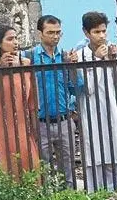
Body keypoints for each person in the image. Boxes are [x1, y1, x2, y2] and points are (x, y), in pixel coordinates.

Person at [0, 25, 39, 175]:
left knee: (28, 167)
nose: (15, 42)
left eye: (16, 38)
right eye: (10, 39)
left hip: (21, 124)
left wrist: (35, 126)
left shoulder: (25, 63)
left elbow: (32, 100)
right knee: (2, 168)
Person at [73, 12, 117, 191]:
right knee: (94, 153)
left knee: (114, 150)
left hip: (111, 108)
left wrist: (112, 59)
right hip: (91, 111)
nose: (102, 36)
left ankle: (114, 190)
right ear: (86, 33)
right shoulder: (80, 55)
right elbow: (87, 88)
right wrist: (96, 59)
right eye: (96, 32)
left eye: (104, 31)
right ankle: (94, 193)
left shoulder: (112, 51)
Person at [27, 15, 80, 187]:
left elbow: (77, 88)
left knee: (68, 167)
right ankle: (49, 198)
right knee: (44, 168)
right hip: (40, 121)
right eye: (50, 32)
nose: (55, 36)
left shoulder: (64, 57)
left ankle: (70, 197)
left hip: (64, 119)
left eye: (58, 33)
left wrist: (73, 67)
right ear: (40, 34)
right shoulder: (29, 58)